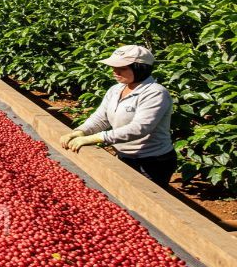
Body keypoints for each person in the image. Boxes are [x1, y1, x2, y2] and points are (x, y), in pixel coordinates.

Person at [60, 45, 176, 187]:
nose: (115, 72)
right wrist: (80, 131)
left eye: (122, 68)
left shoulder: (155, 93)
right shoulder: (116, 89)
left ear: (140, 68)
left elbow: (139, 128)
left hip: (152, 161)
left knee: (143, 201)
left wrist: (97, 138)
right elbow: (101, 118)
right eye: (113, 67)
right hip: (124, 155)